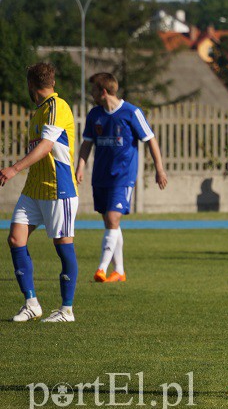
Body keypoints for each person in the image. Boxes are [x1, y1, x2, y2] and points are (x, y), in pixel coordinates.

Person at [0, 63, 79, 322]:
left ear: (31, 85)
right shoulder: (39, 111)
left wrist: (14, 168)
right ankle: (31, 303)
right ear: (52, 82)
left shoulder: (57, 107)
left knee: (63, 245)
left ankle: (67, 310)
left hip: (58, 188)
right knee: (15, 239)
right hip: (34, 188)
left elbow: (46, 146)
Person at [75, 72, 168, 283]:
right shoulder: (94, 115)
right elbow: (87, 143)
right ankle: (120, 271)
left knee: (112, 219)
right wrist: (80, 167)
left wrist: (159, 169)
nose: (91, 94)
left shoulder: (131, 112)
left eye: (93, 90)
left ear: (103, 91)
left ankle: (101, 269)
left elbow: (150, 140)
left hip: (123, 176)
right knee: (111, 224)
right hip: (100, 176)